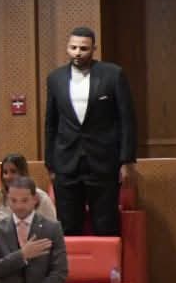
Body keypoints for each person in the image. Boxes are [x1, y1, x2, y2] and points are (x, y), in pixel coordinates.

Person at [44, 26, 137, 236]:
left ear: (94, 49)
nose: (77, 53)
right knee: (67, 227)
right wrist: (50, 163)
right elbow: (51, 123)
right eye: (73, 47)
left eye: (83, 48)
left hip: (103, 162)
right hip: (66, 163)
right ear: (67, 48)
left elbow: (127, 120)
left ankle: (108, 260)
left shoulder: (113, 74)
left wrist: (127, 160)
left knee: (106, 226)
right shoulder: (55, 78)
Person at [0, 176, 69, 283]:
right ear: (8, 200)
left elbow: (60, 272)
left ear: (35, 199)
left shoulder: (52, 228)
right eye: (13, 200)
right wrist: (22, 255)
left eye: (24, 200)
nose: (19, 206)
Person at [0, 153, 57, 226]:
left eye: (13, 171)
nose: (8, 176)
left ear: (23, 173)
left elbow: (52, 227)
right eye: (5, 172)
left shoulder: (41, 197)